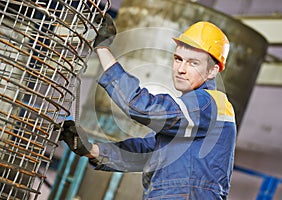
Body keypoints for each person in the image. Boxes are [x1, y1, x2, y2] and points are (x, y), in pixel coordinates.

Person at [59, 20, 237, 199]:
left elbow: (143, 108)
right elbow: (145, 153)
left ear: (213, 71)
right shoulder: (189, 118)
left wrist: (103, 50)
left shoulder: (207, 105)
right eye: (178, 59)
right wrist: (89, 149)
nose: (181, 69)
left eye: (193, 63)